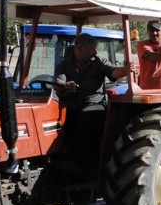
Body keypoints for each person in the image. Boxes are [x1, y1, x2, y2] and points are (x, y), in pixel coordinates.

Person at [54, 33, 130, 169]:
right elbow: (58, 81)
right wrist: (65, 85)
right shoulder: (65, 64)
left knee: (86, 117)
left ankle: (84, 163)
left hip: (94, 104)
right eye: (92, 49)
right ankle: (59, 156)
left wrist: (125, 70)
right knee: (58, 119)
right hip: (70, 104)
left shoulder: (99, 62)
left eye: (95, 49)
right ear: (80, 48)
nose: (95, 51)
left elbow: (113, 72)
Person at [137, 20, 161, 89]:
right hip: (147, 91)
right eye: (151, 30)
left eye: (157, 30)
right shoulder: (142, 45)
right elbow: (151, 56)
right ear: (147, 32)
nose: (154, 33)